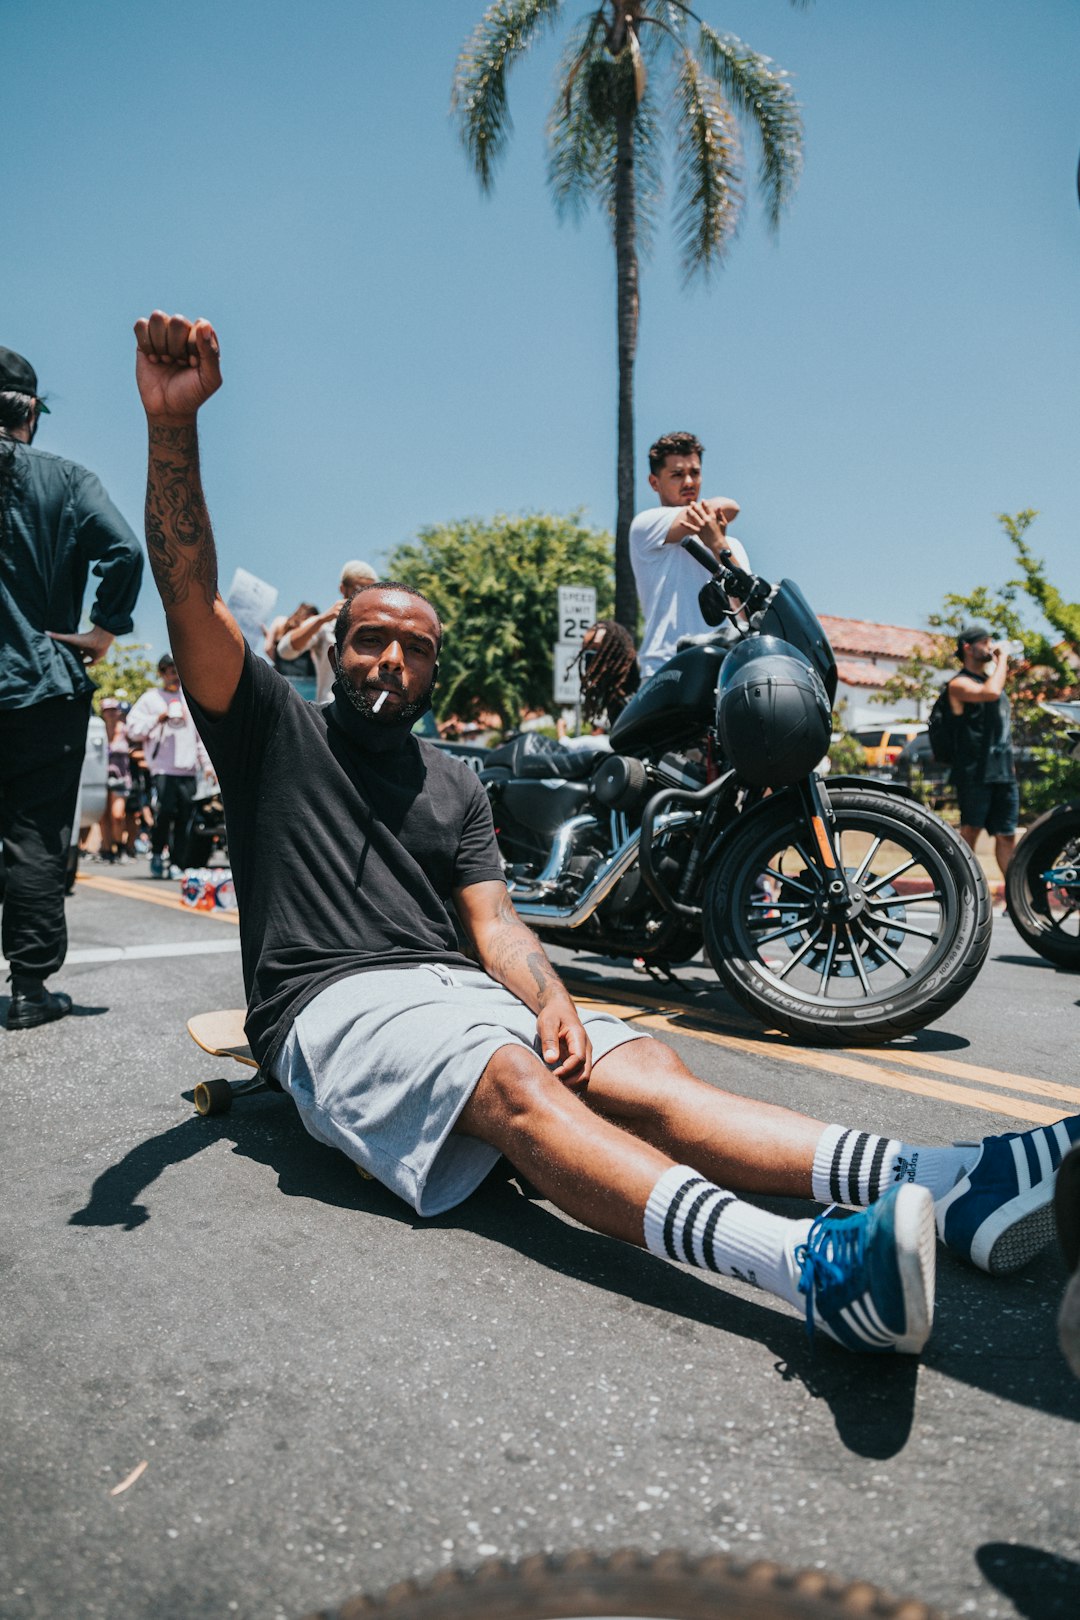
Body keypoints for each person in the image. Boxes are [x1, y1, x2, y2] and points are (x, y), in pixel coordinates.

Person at [131, 310, 1080, 1361]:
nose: (388, 661)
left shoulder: (455, 781)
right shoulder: (273, 732)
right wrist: (173, 428)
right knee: (510, 1083)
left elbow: (495, 926)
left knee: (648, 1074)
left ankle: (951, 1187)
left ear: (433, 669)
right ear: (339, 652)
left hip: (460, 984)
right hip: (332, 1002)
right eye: (370, 641)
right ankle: (811, 1272)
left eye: (412, 647)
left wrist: (550, 1000)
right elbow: (186, 591)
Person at [0, 345, 143, 1029]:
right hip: (40, 688)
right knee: (33, 835)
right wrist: (103, 629)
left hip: (35, 686)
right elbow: (126, 550)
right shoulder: (67, 480)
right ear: (31, 412)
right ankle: (29, 990)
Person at [630, 431, 749, 679]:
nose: (688, 482)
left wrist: (718, 544)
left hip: (723, 669)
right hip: (665, 669)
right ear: (655, 483)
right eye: (677, 474)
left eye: (694, 473)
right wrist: (711, 524)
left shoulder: (732, 545)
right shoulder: (647, 527)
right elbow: (729, 507)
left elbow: (747, 611)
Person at [945, 623, 1019, 876]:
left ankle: (1015, 896)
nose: (990, 647)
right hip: (975, 771)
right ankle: (962, 889)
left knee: (1007, 835)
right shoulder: (958, 684)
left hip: (1002, 771)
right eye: (985, 642)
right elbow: (991, 693)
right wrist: (1003, 659)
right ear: (968, 647)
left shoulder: (990, 677)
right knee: (970, 832)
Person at [125, 653, 208, 877]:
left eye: (178, 670)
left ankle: (177, 863)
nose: (175, 676)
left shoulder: (189, 698)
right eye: (171, 671)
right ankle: (157, 853)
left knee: (185, 818)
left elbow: (199, 737)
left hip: (188, 770)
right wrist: (158, 718)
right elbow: (132, 729)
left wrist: (207, 765)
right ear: (162, 673)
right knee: (164, 814)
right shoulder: (151, 698)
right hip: (162, 769)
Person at [275, 560, 379, 704]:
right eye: (358, 589)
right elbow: (285, 651)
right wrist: (322, 619)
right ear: (343, 589)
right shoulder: (325, 624)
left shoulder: (378, 628)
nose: (363, 596)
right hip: (329, 713)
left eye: (369, 592)